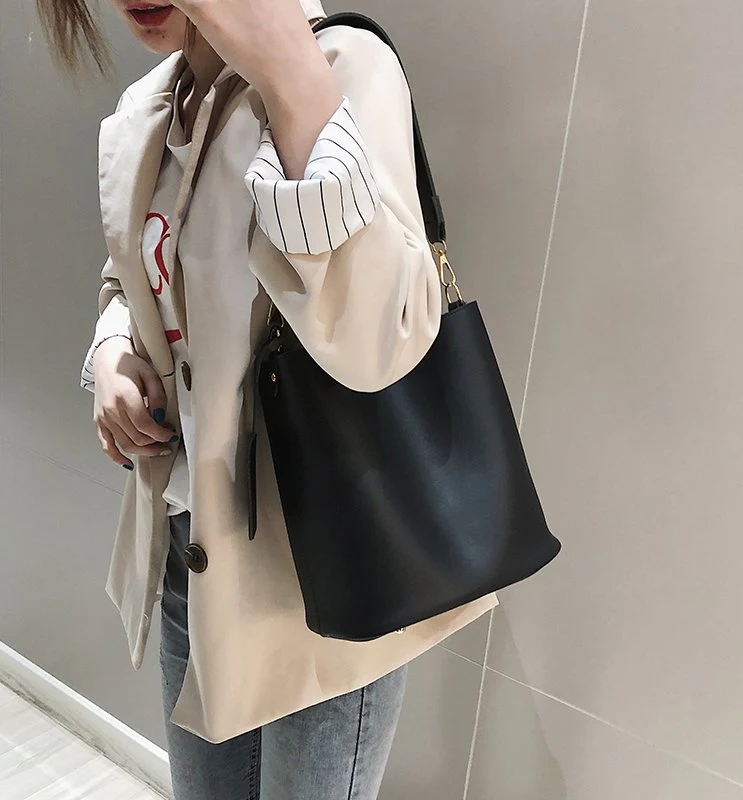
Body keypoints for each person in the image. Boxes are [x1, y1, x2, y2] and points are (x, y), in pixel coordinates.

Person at [36, 0, 498, 797]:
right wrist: (111, 350)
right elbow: (134, 276)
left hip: (324, 570)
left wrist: (289, 75)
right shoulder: (152, 107)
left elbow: (381, 340)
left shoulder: (341, 68)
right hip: (193, 555)